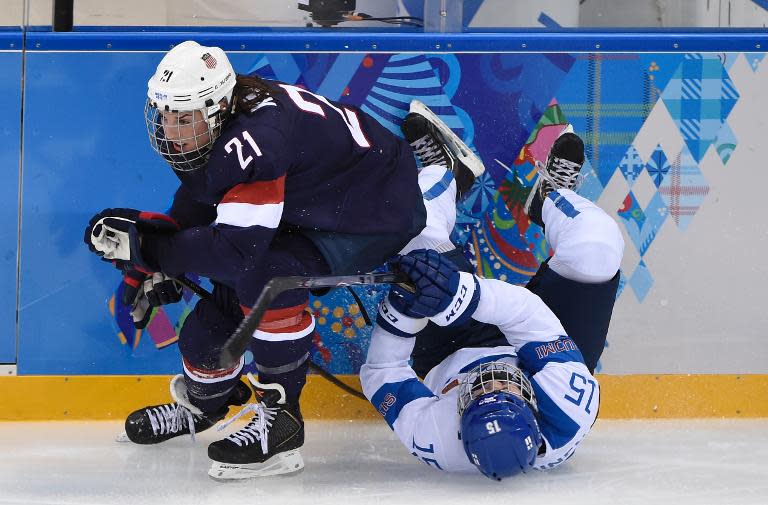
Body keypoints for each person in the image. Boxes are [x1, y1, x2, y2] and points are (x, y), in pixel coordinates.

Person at [83, 39, 482, 480]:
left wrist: (152, 249)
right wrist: (146, 264)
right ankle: (205, 404)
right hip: (321, 198)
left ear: (216, 108)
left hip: (370, 213)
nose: (169, 129)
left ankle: (283, 425)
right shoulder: (218, 123)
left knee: (269, 277)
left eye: (182, 118)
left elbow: (236, 251)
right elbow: (201, 199)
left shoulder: (255, 139)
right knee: (208, 329)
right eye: (164, 115)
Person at [361, 128, 624, 480]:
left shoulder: (434, 438)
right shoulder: (566, 409)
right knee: (597, 249)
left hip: (451, 349)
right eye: (508, 391)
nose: (494, 381)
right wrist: (456, 295)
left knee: (415, 236)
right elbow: (528, 315)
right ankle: (550, 196)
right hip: (553, 338)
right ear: (533, 409)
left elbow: (382, 374)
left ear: (460, 420)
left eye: (482, 391)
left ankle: (447, 170)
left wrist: (402, 314)